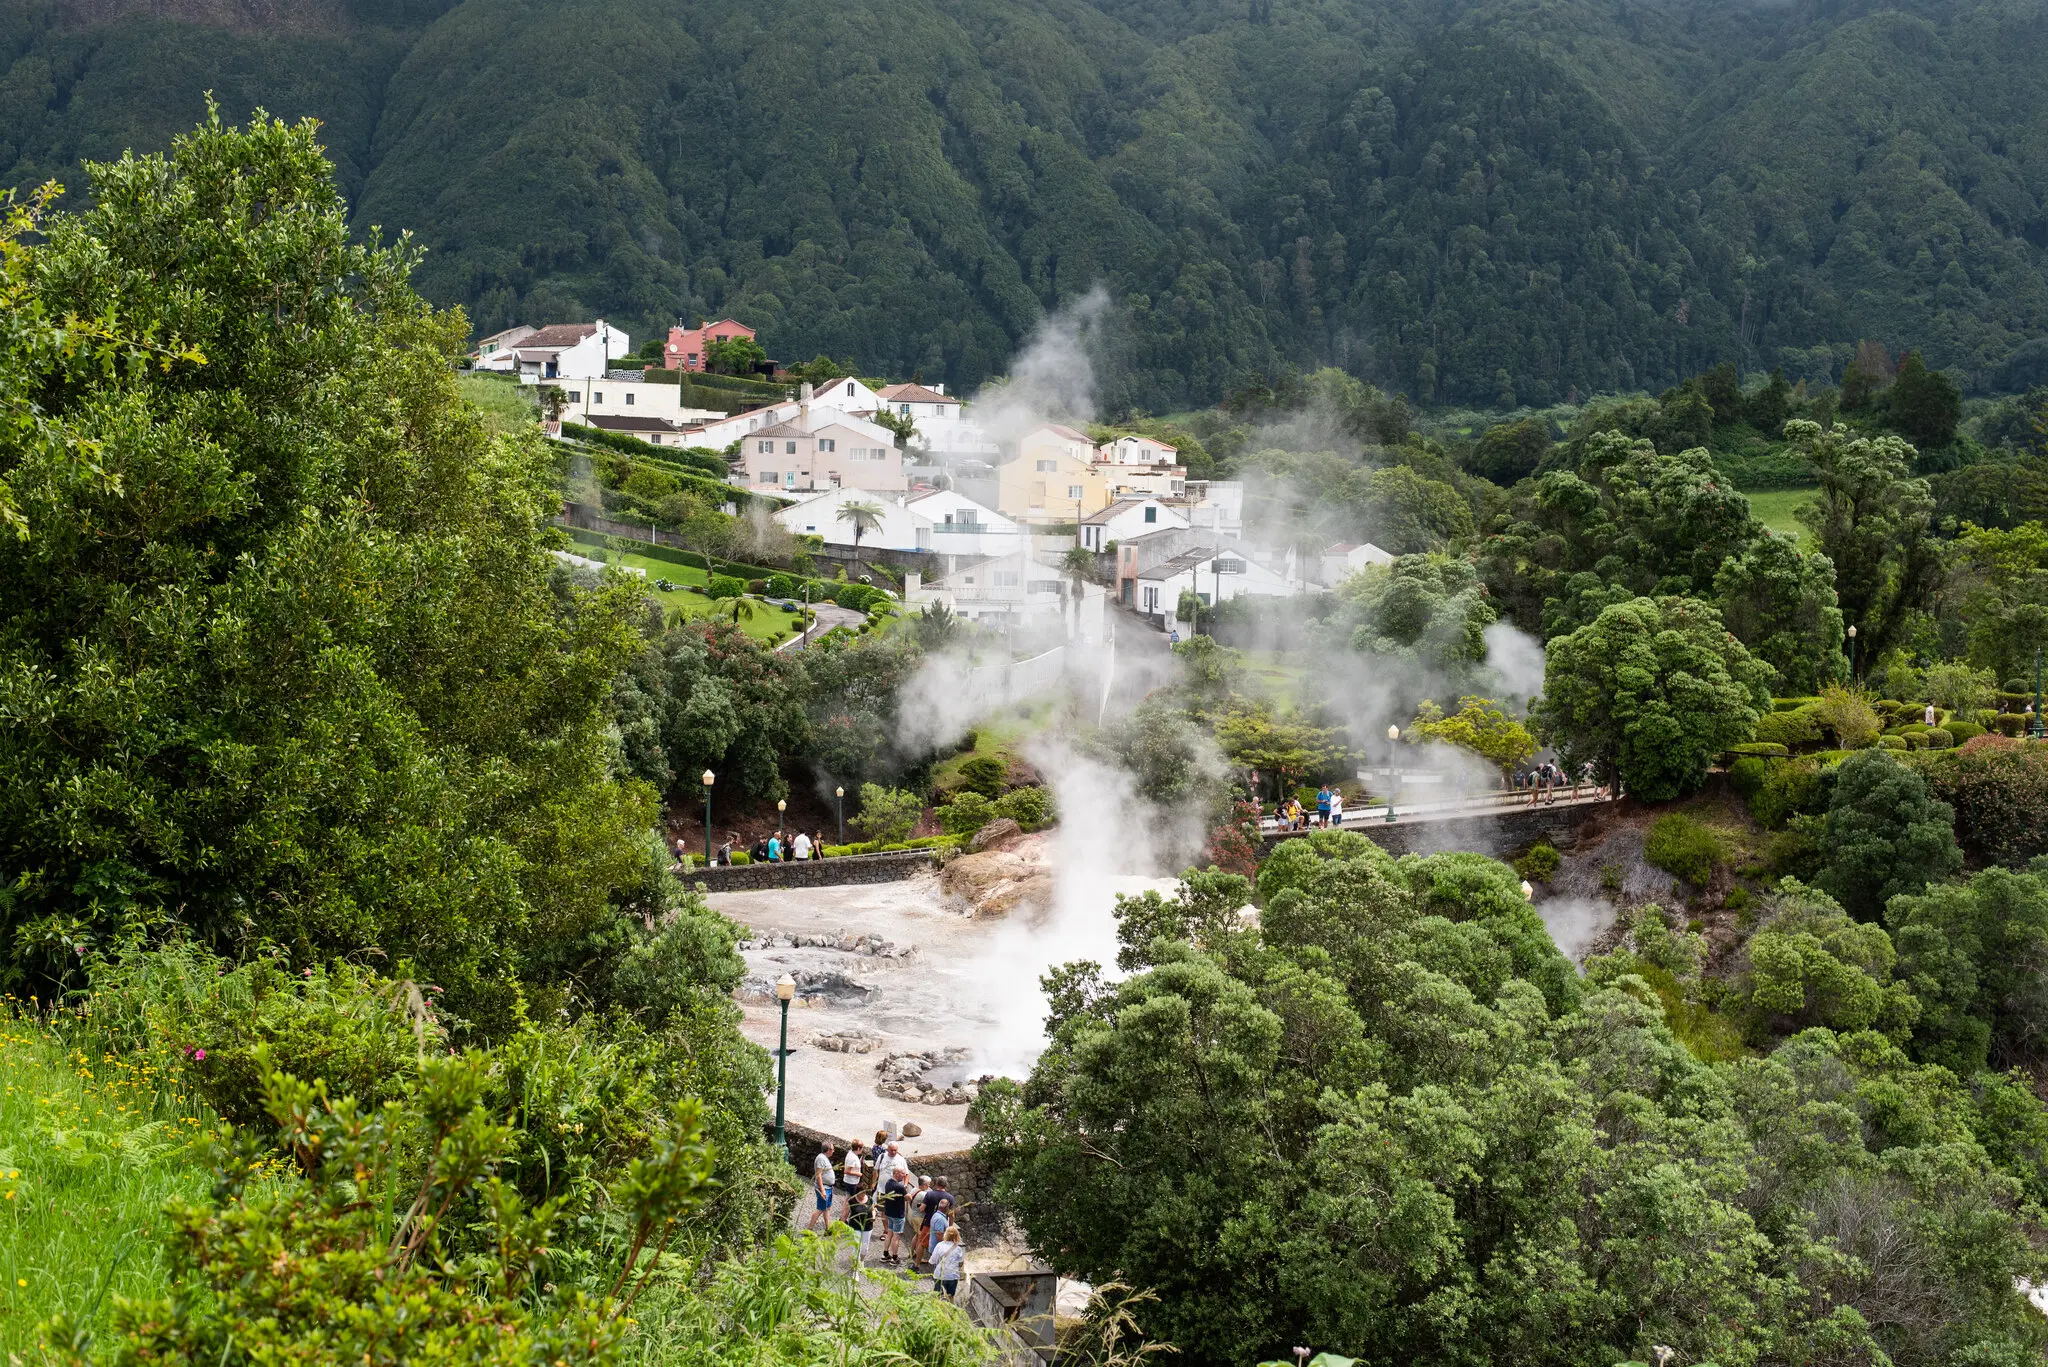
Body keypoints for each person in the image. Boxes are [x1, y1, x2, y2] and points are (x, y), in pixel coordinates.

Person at [879, 1167, 909, 1264]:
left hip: (889, 1212)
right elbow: (908, 1198)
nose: (904, 1175)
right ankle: (894, 1258)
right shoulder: (900, 1187)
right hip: (898, 1214)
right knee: (896, 1236)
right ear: (896, 1173)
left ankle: (885, 1254)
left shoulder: (888, 1182)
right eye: (903, 1173)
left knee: (889, 1234)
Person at [808, 1141, 838, 1232]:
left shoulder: (824, 1158)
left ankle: (828, 1229)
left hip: (828, 1187)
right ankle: (809, 1229)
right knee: (820, 1209)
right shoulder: (821, 1159)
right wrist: (822, 1190)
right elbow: (818, 1175)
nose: (834, 1151)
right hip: (824, 1188)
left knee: (827, 1208)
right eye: (833, 1149)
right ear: (828, 1150)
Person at [930, 1226, 965, 1299]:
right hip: (952, 1276)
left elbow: (932, 1260)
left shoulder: (939, 1245)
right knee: (950, 1298)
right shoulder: (958, 1249)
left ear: (945, 1234)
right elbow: (960, 1262)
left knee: (938, 1297)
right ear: (957, 1236)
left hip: (940, 1275)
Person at [846, 1184, 874, 1259]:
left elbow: (873, 1209)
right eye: (861, 1193)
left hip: (867, 1226)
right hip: (855, 1226)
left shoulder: (870, 1199)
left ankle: (861, 1261)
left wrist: (873, 1216)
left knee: (865, 1248)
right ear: (857, 1192)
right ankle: (856, 1264)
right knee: (856, 1247)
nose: (863, 1194)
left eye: (865, 1192)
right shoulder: (851, 1201)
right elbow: (845, 1214)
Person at [839, 1139, 864, 1208]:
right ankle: (850, 1211)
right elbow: (846, 1171)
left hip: (850, 1181)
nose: (862, 1150)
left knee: (848, 1197)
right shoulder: (852, 1158)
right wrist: (858, 1174)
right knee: (853, 1199)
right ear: (858, 1148)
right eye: (862, 1148)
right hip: (851, 1182)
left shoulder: (852, 1153)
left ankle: (844, 1210)